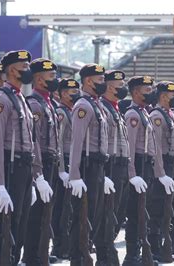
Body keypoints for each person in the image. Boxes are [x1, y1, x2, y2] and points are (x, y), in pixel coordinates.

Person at [0, 50, 36, 265]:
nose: (27, 70)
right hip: (10, 166)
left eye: (27, 66)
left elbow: (30, 141)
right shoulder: (1, 98)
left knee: (20, 225)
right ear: (10, 70)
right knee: (5, 227)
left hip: (23, 168)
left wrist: (34, 178)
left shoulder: (20, 97)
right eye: (23, 66)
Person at [68, 63, 109, 265]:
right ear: (88, 81)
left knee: (93, 214)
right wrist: (74, 174)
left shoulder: (96, 103)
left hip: (98, 165)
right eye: (100, 80)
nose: (103, 83)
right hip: (87, 166)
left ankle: (85, 253)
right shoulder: (83, 105)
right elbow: (76, 142)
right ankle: (78, 258)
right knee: (82, 216)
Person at [21, 58, 58, 264]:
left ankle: (38, 255)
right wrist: (38, 175)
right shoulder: (35, 103)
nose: (55, 79)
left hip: (50, 163)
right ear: (38, 78)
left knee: (45, 215)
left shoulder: (47, 102)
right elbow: (34, 141)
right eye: (51, 76)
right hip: (40, 164)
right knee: (36, 217)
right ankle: (32, 257)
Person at [94, 70, 131, 265]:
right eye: (120, 84)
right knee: (107, 215)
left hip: (122, 167)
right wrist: (106, 173)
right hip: (111, 167)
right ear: (109, 87)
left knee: (117, 214)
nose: (123, 88)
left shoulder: (115, 108)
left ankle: (107, 250)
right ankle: (104, 256)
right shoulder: (102, 108)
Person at [123, 75, 158, 265]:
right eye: (147, 90)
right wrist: (132, 174)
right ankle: (132, 255)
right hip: (138, 164)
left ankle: (140, 254)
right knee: (135, 213)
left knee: (144, 212)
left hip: (147, 165)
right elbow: (128, 147)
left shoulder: (144, 112)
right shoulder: (133, 115)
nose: (151, 93)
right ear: (136, 92)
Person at [147, 81, 174, 262]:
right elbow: (156, 147)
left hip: (171, 165)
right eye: (172, 94)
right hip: (162, 166)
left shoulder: (170, 114)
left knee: (169, 209)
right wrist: (160, 173)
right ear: (163, 96)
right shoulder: (157, 116)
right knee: (157, 209)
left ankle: (165, 246)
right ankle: (155, 249)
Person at [51, 78, 80, 259]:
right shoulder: (61, 112)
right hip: (64, 163)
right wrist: (61, 169)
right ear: (62, 94)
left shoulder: (72, 111)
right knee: (61, 208)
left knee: (70, 208)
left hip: (72, 163)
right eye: (71, 91)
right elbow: (59, 143)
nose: (75, 94)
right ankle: (59, 246)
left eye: (77, 90)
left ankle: (67, 244)